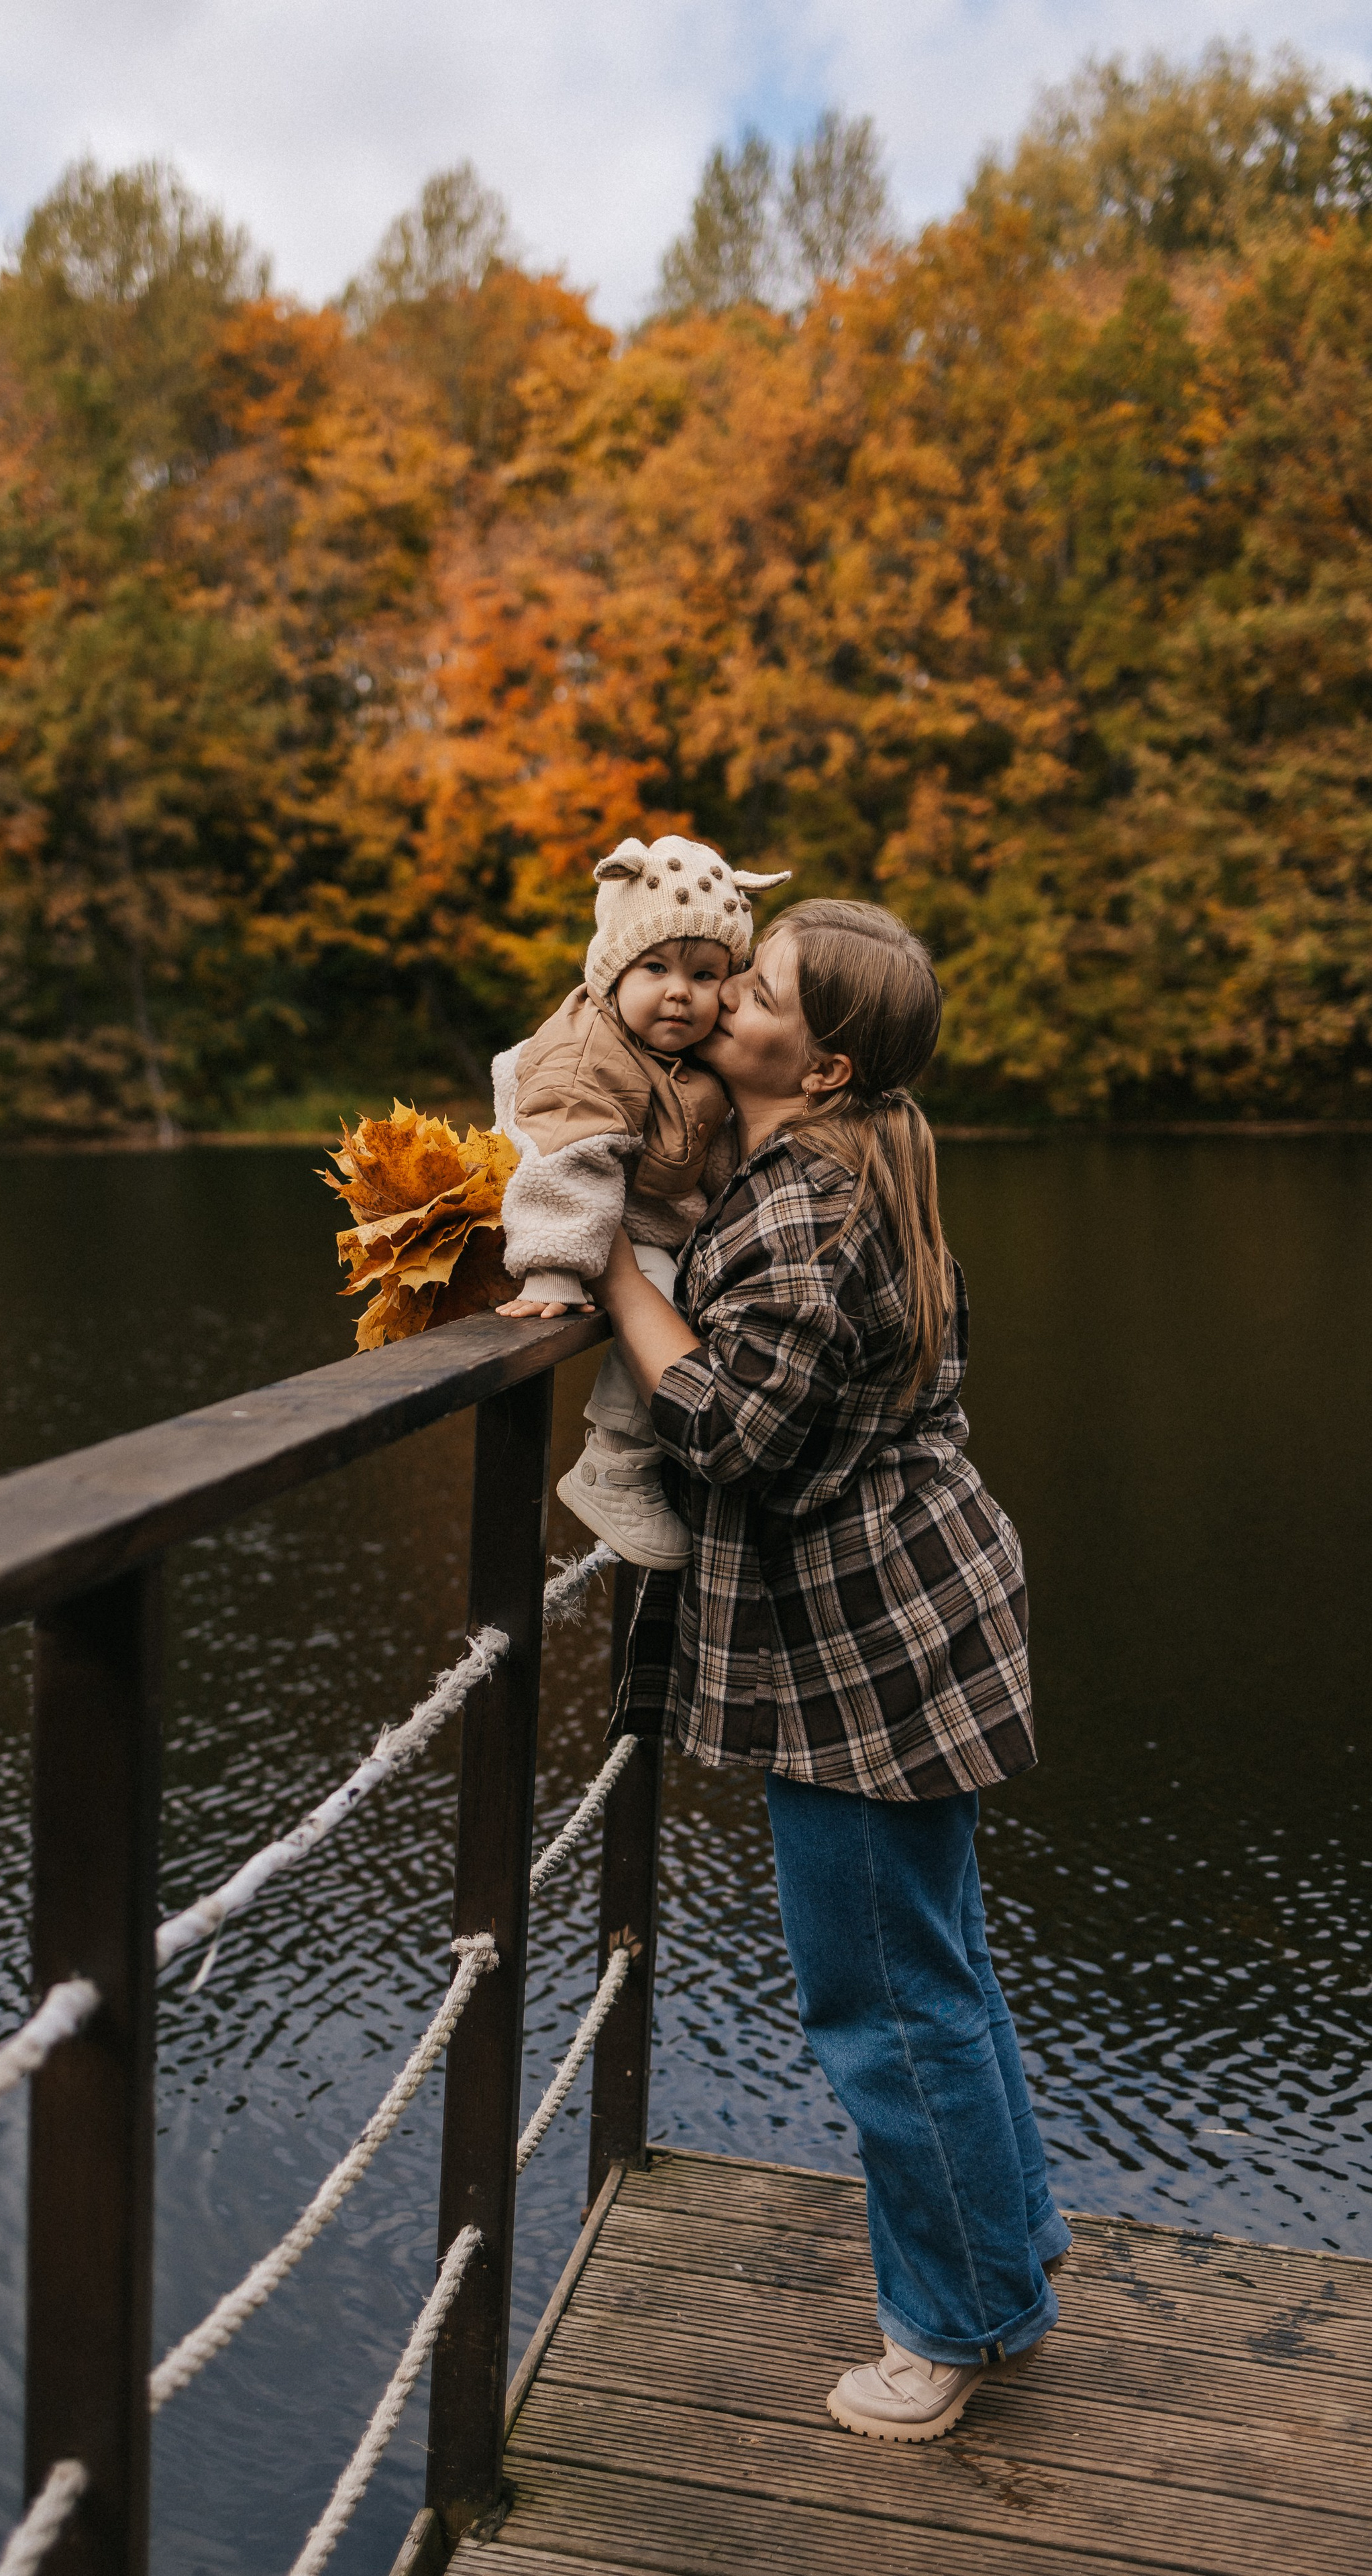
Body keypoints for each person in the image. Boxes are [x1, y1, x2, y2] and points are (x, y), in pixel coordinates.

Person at [589, 896, 1069, 2443]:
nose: (724, 993)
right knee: (939, 1969)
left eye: (758, 989)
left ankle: (944, 2333)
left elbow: (732, 1427)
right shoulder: (851, 1155)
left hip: (860, 1642)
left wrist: (602, 1264)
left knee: (878, 1998)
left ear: (822, 1060)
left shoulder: (806, 1196)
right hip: (919, 1602)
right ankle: (1003, 2259)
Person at [492, 835, 787, 1568]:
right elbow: (566, 1149)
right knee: (653, 1290)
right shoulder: (586, 1051)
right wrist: (556, 1267)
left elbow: (707, 1145)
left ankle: (642, 1454)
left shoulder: (679, 1053)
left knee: (688, 1289)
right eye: (654, 967)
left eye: (705, 973)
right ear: (611, 969)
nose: (679, 991)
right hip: (577, 1215)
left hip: (633, 1214)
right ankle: (615, 1461)